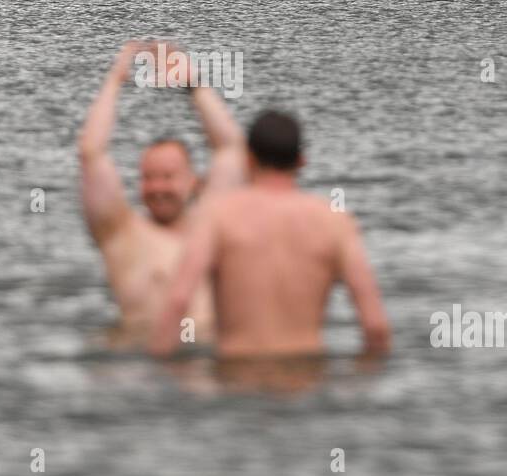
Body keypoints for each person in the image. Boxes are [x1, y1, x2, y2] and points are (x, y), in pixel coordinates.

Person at [149, 110, 391, 359]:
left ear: (249, 160)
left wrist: (159, 371)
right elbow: (375, 326)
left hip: (236, 376)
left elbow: (178, 300)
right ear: (301, 161)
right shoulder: (336, 222)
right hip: (306, 380)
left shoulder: (217, 215)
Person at [79, 41, 246, 343]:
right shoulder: (122, 235)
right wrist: (115, 80)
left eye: (168, 177)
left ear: (194, 182)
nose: (158, 188)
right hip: (142, 365)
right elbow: (92, 154)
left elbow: (232, 150)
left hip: (202, 367)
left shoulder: (210, 226)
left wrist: (193, 85)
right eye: (149, 178)